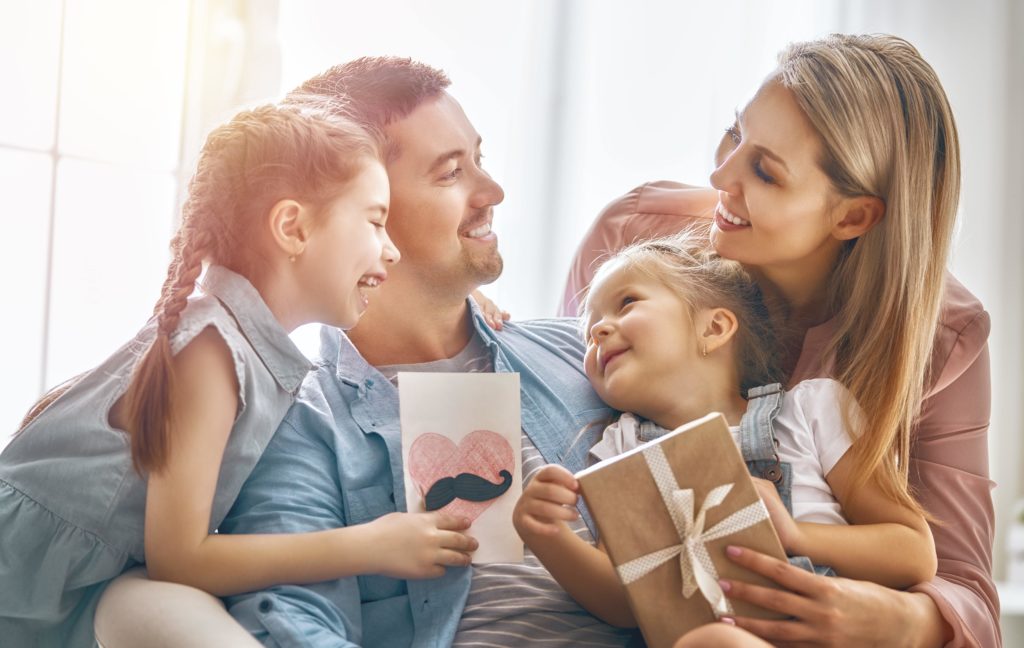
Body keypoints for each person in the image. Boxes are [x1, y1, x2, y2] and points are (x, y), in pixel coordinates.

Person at [561, 34, 996, 647]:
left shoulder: (939, 337)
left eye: (765, 171)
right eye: (735, 134)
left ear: (852, 217)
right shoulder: (633, 244)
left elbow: (962, 582)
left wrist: (902, 622)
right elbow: (562, 417)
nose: (719, 176)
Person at [0, 104, 485, 648]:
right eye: (375, 222)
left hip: (81, 587)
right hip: (26, 591)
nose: (391, 250)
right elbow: (180, 557)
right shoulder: (211, 349)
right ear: (292, 228)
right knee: (159, 600)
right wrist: (370, 545)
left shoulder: (247, 348)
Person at [218, 56, 641, 647]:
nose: (493, 192)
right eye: (450, 174)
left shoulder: (587, 352)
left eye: (480, 159)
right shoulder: (299, 423)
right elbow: (290, 617)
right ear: (367, 211)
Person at [515, 233, 937, 639]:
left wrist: (796, 534)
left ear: (714, 328)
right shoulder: (621, 449)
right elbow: (628, 605)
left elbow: (914, 554)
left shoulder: (811, 410)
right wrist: (549, 538)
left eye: (626, 303)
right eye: (588, 331)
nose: (599, 332)